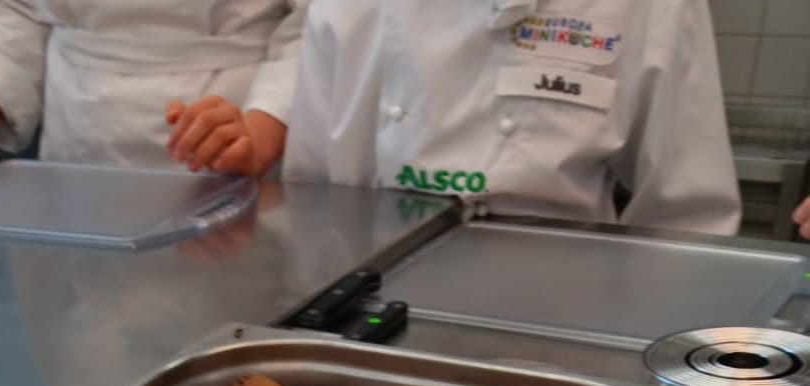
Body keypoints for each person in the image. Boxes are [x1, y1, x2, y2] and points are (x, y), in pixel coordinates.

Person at [284, 0, 740, 236]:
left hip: (560, 319)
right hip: (368, 308)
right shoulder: (347, 7)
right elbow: (310, 199)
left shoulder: (648, 7)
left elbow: (688, 217)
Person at [0, 1, 307, 174]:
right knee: (84, 329)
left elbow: (311, 29)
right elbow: (16, 13)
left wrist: (257, 137)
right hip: (78, 155)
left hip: (232, 138)